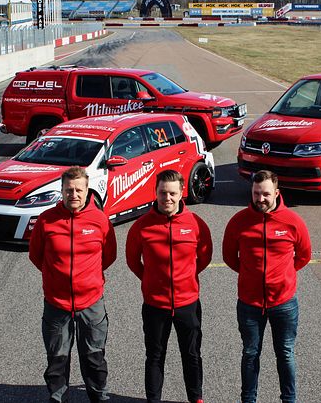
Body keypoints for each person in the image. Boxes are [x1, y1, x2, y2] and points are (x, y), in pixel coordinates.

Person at [222, 170, 312, 403]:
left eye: (265, 194)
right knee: (250, 354)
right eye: (256, 193)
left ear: (277, 193)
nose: (260, 199)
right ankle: (248, 400)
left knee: (285, 354)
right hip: (249, 303)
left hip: (283, 303)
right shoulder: (238, 222)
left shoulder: (293, 222)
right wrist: (251, 276)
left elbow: (303, 256)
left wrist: (282, 277)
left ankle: (289, 400)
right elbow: (230, 257)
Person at [29, 166, 117, 403]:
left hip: (91, 303)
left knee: (94, 357)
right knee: (57, 359)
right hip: (57, 304)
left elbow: (108, 256)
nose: (74, 194)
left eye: (79, 190)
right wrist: (55, 278)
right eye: (69, 190)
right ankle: (58, 398)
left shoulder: (100, 221)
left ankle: (99, 397)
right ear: (62, 190)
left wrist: (87, 280)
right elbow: (36, 256)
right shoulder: (46, 221)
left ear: (87, 190)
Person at [126, 169, 213, 403]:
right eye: (163, 193)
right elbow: (133, 260)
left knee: (192, 355)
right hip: (155, 304)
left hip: (188, 303)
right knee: (155, 356)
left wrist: (186, 278)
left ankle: (196, 398)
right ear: (155, 192)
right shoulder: (142, 226)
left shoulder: (195, 224)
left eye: (173, 193)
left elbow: (204, 256)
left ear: (182, 192)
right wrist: (150, 280)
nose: (168, 198)